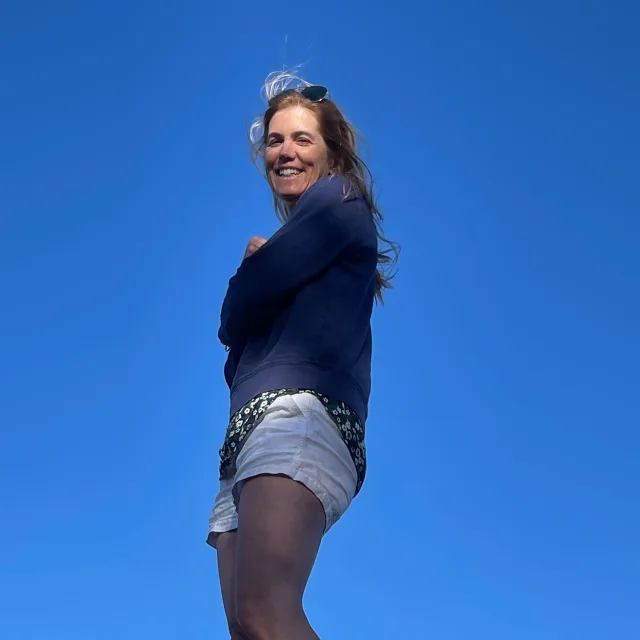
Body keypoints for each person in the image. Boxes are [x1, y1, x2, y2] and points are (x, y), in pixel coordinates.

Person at [207, 70, 397, 640]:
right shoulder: (301, 238)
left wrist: (252, 271)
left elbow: (235, 311)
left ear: (332, 152)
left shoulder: (339, 200)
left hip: (301, 416)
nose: (284, 151)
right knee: (247, 625)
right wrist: (256, 278)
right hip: (250, 432)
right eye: (274, 141)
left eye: (302, 139)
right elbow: (233, 338)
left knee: (266, 614)